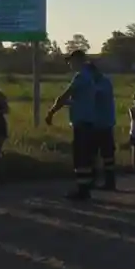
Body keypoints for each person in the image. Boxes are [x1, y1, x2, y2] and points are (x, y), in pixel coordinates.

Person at [45, 49, 98, 201]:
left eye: (71, 61)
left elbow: (64, 96)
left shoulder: (80, 77)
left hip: (82, 121)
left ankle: (82, 190)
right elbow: (79, 99)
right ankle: (85, 187)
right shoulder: (90, 77)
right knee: (85, 156)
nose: (69, 64)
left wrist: (51, 112)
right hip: (89, 120)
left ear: (78, 60)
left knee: (80, 156)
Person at [89, 60, 118, 190]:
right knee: (92, 154)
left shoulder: (105, 82)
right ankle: (93, 180)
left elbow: (97, 93)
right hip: (93, 124)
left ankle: (110, 182)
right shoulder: (93, 82)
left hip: (105, 124)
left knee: (107, 155)